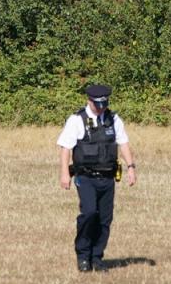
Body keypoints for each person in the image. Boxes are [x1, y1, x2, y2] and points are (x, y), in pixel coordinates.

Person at [57, 84, 137, 272]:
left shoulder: (113, 119)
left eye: (104, 103)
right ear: (89, 101)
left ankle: (97, 258)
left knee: (104, 220)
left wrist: (131, 167)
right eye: (98, 104)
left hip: (108, 177)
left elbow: (123, 143)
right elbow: (65, 148)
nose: (102, 107)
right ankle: (83, 256)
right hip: (85, 177)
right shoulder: (76, 120)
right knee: (89, 213)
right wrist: (63, 173)